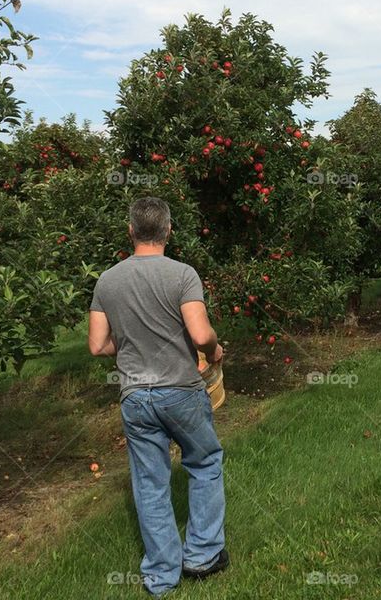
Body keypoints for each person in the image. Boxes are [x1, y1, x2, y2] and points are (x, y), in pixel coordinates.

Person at [87, 196, 228, 597]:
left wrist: (131, 342)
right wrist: (214, 351)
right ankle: (201, 556)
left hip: (135, 396)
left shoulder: (107, 280)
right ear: (168, 231)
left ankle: (161, 577)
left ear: (131, 231)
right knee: (204, 462)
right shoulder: (182, 274)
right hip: (180, 391)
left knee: (150, 483)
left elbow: (98, 345)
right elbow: (200, 335)